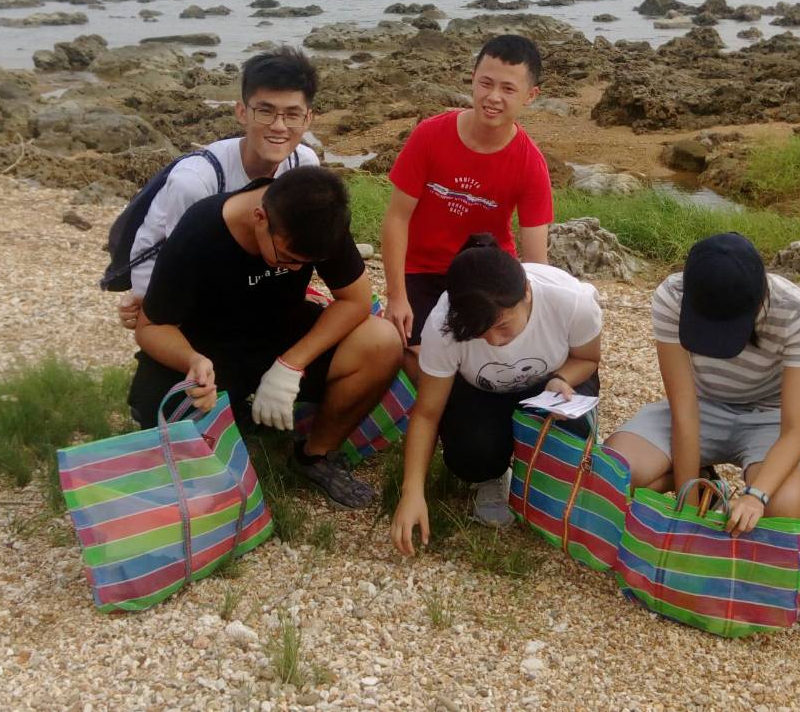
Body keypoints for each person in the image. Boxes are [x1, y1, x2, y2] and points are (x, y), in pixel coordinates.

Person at [129, 166, 402, 509]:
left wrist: (291, 365)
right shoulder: (200, 232)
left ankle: (315, 456)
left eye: (307, 263)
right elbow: (150, 328)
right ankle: (240, 415)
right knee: (165, 444)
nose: (295, 268)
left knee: (383, 341)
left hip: (281, 333)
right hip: (208, 348)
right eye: (287, 258)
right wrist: (192, 361)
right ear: (260, 218)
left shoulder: (319, 220)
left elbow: (356, 300)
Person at [391, 234, 603, 549]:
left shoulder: (572, 301)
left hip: (552, 382)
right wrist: (412, 493)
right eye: (479, 332)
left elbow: (587, 359)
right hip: (483, 390)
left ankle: (543, 477)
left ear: (527, 292)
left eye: (502, 326)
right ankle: (493, 476)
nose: (494, 341)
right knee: (469, 456)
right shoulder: (443, 324)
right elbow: (426, 413)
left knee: (572, 436)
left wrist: (561, 379)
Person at [607, 232, 800, 534]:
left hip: (769, 418)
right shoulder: (674, 295)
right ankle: (703, 482)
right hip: (701, 405)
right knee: (612, 473)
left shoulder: (796, 310)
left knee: (786, 507)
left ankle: (707, 486)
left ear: (761, 297)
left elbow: (795, 428)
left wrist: (755, 497)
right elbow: (684, 408)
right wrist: (688, 509)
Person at [381, 34, 554, 376]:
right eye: (486, 83)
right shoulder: (429, 135)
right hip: (421, 269)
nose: (493, 97)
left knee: (489, 358)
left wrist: (536, 319)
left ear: (530, 96)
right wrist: (396, 296)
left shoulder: (530, 163)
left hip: (486, 273)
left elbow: (536, 261)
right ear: (472, 78)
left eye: (508, 89)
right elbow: (397, 218)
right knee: (415, 352)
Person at [115, 47, 321, 329]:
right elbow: (182, 267)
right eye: (265, 111)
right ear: (242, 112)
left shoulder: (303, 165)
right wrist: (148, 306)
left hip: (242, 277)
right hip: (170, 285)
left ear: (308, 119)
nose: (278, 126)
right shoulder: (196, 181)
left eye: (292, 115)